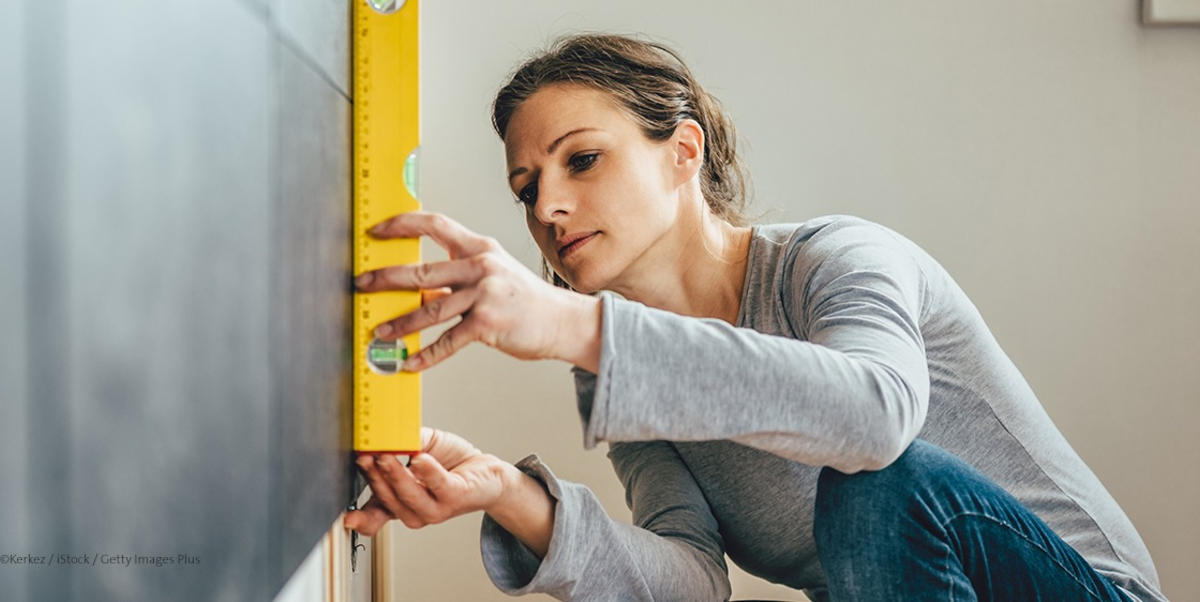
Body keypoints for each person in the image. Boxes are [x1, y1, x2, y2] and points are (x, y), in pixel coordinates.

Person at [343, 33, 1166, 601]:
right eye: (526, 188)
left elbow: (874, 420)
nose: (549, 206)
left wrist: (571, 323)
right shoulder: (620, 366)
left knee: (881, 486)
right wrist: (509, 491)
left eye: (582, 160)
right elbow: (689, 581)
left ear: (683, 152)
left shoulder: (835, 259)